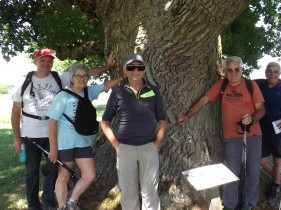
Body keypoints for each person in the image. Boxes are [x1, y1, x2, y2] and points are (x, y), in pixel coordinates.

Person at [10, 49, 116, 210]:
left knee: (52, 171)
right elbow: (16, 112)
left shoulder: (58, 77)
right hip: (31, 134)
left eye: (49, 60)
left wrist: (107, 68)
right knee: (32, 171)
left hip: (54, 134)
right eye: (42, 60)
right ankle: (33, 205)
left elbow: (86, 73)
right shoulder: (25, 84)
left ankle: (49, 202)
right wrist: (17, 138)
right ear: (35, 61)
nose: (46, 63)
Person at [177, 56, 265, 210]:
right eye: (229, 70)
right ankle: (230, 204)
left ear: (241, 69)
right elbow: (204, 100)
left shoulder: (251, 85)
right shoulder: (222, 84)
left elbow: (261, 109)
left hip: (252, 134)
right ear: (225, 71)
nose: (233, 73)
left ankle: (249, 203)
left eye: (236, 70)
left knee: (252, 170)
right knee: (231, 171)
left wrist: (252, 119)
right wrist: (187, 115)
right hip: (231, 136)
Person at [47, 63, 123, 210]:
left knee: (90, 174)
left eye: (85, 76)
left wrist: (123, 76)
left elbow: (106, 85)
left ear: (88, 78)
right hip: (65, 144)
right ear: (71, 78)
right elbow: (52, 123)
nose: (82, 79)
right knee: (63, 177)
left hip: (83, 143)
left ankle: (72, 201)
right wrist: (53, 148)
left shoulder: (89, 92)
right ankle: (62, 206)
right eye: (78, 76)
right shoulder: (62, 96)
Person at [101, 54, 167, 210]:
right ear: (125, 70)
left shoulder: (153, 90)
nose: (135, 71)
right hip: (125, 149)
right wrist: (117, 145)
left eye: (139, 67)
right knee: (128, 193)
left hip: (148, 148)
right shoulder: (117, 91)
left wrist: (156, 144)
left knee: (150, 192)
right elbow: (105, 122)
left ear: (144, 70)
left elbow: (162, 120)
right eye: (131, 67)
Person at [254, 62, 281, 203]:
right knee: (262, 161)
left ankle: (275, 187)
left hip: (279, 129)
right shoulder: (259, 84)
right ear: (265, 72)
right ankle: (279, 179)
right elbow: (241, 81)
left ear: (280, 73)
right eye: (269, 71)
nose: (272, 74)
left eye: (275, 71)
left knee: (278, 160)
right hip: (261, 128)